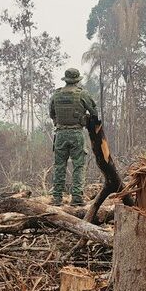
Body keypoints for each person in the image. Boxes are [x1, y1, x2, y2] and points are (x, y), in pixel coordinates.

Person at [49, 68, 98, 206]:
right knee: (78, 165)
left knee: (59, 166)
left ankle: (57, 198)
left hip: (60, 134)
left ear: (66, 79)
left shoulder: (56, 94)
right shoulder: (82, 94)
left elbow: (51, 113)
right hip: (76, 133)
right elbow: (94, 112)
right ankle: (76, 198)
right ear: (77, 80)